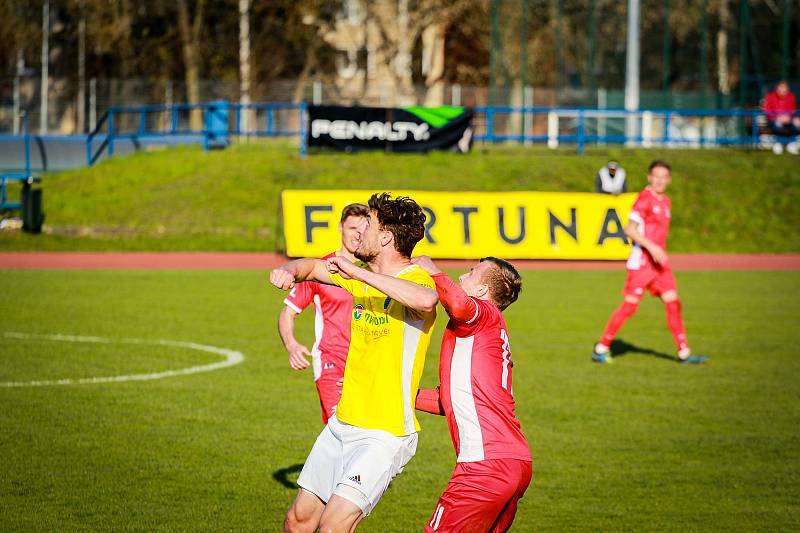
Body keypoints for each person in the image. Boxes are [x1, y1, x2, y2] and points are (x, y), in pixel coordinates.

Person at [271, 192, 438, 533]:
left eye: (369, 226)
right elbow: (312, 267)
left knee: (332, 528)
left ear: (387, 237)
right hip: (344, 422)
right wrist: (289, 269)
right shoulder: (359, 274)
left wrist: (359, 277)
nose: (359, 233)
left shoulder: (415, 279)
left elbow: (427, 300)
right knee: (297, 521)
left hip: (385, 432)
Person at [412, 255, 532, 533]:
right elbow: (448, 400)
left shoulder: (483, 313)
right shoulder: (485, 330)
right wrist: (397, 394)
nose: (463, 276)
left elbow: (457, 303)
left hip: (485, 466)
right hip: (514, 462)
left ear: (482, 291)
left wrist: (432, 270)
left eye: (471, 272)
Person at [591, 160, 708, 365]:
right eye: (656, 176)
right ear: (649, 178)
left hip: (660, 266)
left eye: (664, 177)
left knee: (673, 303)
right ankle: (601, 348)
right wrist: (652, 247)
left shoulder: (665, 202)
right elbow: (630, 229)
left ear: (669, 180)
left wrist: (658, 251)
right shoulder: (644, 199)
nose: (660, 180)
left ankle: (684, 352)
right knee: (630, 307)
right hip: (643, 263)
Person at [278, 203, 369, 424]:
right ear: (340, 228)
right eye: (352, 228)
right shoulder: (321, 269)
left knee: (363, 434)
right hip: (331, 362)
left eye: (363, 230)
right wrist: (291, 345)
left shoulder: (372, 272)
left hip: (365, 364)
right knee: (342, 430)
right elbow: (288, 313)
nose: (357, 235)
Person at [764, 80, 800, 155]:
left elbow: (792, 111)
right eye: (781, 88)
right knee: (777, 124)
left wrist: (791, 117)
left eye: (785, 88)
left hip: (788, 119)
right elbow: (767, 112)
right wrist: (777, 117)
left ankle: (791, 144)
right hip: (773, 119)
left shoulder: (791, 97)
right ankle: (778, 143)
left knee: (796, 124)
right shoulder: (770, 97)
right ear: (777, 89)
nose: (783, 90)